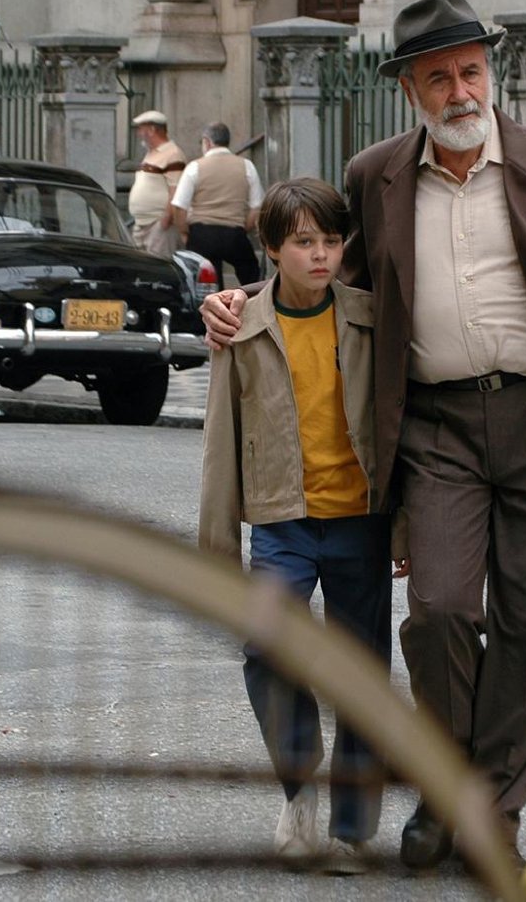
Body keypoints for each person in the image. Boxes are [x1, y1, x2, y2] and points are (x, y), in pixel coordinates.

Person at [200, 0, 526, 868]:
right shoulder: (376, 176)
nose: (459, 91)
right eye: (438, 77)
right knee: (440, 612)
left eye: (470, 71)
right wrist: (237, 304)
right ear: (409, 88)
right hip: (435, 424)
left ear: (492, 73)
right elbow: (330, 293)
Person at [198, 177, 401, 876]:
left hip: (360, 522)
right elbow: (220, 441)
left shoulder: (371, 320)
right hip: (281, 521)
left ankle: (350, 827)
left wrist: (402, 530)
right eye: (303, 243)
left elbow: (400, 429)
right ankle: (297, 791)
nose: (320, 256)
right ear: (272, 249)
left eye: (331, 241)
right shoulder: (241, 323)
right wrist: (217, 549)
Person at [170, 122, 263, 285]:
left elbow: (179, 206)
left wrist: (184, 231)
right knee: (251, 272)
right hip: (234, 233)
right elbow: (257, 207)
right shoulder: (246, 166)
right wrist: (244, 227)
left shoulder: (195, 167)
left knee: (205, 282)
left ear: (207, 142)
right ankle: (252, 303)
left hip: (201, 233)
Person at [127, 111, 187, 258]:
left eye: (141, 129)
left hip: (157, 223)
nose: (139, 133)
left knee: (159, 266)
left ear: (152, 130)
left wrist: (165, 220)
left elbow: (176, 190)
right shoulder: (151, 153)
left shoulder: (173, 154)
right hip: (142, 223)